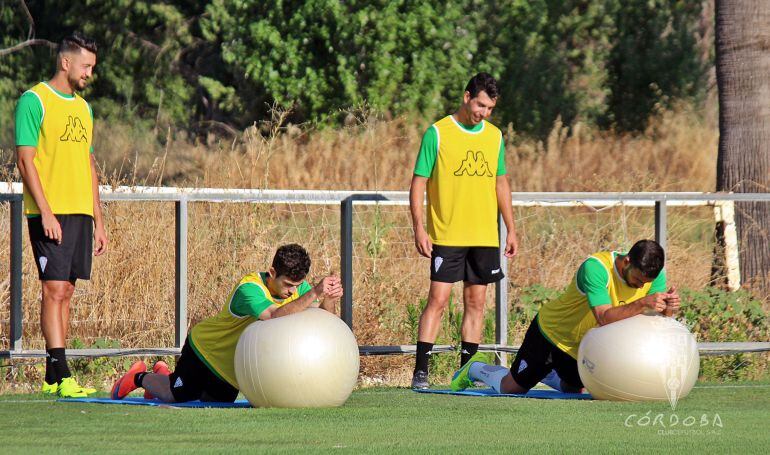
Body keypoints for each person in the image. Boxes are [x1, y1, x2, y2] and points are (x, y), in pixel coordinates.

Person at [111, 244, 343, 403]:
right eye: (288, 285)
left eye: (298, 285)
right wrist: (315, 292)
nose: (293, 291)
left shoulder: (300, 289)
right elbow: (274, 317)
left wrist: (329, 300)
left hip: (231, 370)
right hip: (206, 350)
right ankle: (139, 377)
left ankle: (165, 374)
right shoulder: (249, 289)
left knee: (209, 404)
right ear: (272, 272)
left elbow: (321, 323)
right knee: (177, 395)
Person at [451, 239, 681, 394]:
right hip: (551, 335)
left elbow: (658, 322)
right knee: (511, 388)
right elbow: (603, 317)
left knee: (574, 391)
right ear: (627, 261)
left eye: (646, 284)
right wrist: (643, 302)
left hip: (584, 346)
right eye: (639, 281)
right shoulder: (596, 268)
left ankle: (548, 372)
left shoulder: (653, 276)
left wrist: (668, 307)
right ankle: (474, 368)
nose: (641, 286)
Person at [409, 72, 518, 389]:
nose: (483, 113)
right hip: (447, 235)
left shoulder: (495, 137)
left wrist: (511, 228)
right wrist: (419, 227)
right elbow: (419, 183)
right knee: (438, 300)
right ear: (467, 96)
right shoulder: (438, 133)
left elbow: (501, 182)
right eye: (480, 105)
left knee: (476, 304)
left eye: (490, 108)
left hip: (484, 236)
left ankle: (464, 374)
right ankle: (421, 371)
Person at [15, 32, 108, 398]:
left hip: (80, 213)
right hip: (48, 213)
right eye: (85, 66)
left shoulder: (84, 108)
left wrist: (99, 219)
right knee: (53, 289)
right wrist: (47, 213)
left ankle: (54, 379)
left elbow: (88, 164)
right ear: (66, 62)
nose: (89, 73)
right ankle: (63, 372)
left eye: (92, 67)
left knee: (67, 289)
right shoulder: (33, 100)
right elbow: (25, 160)